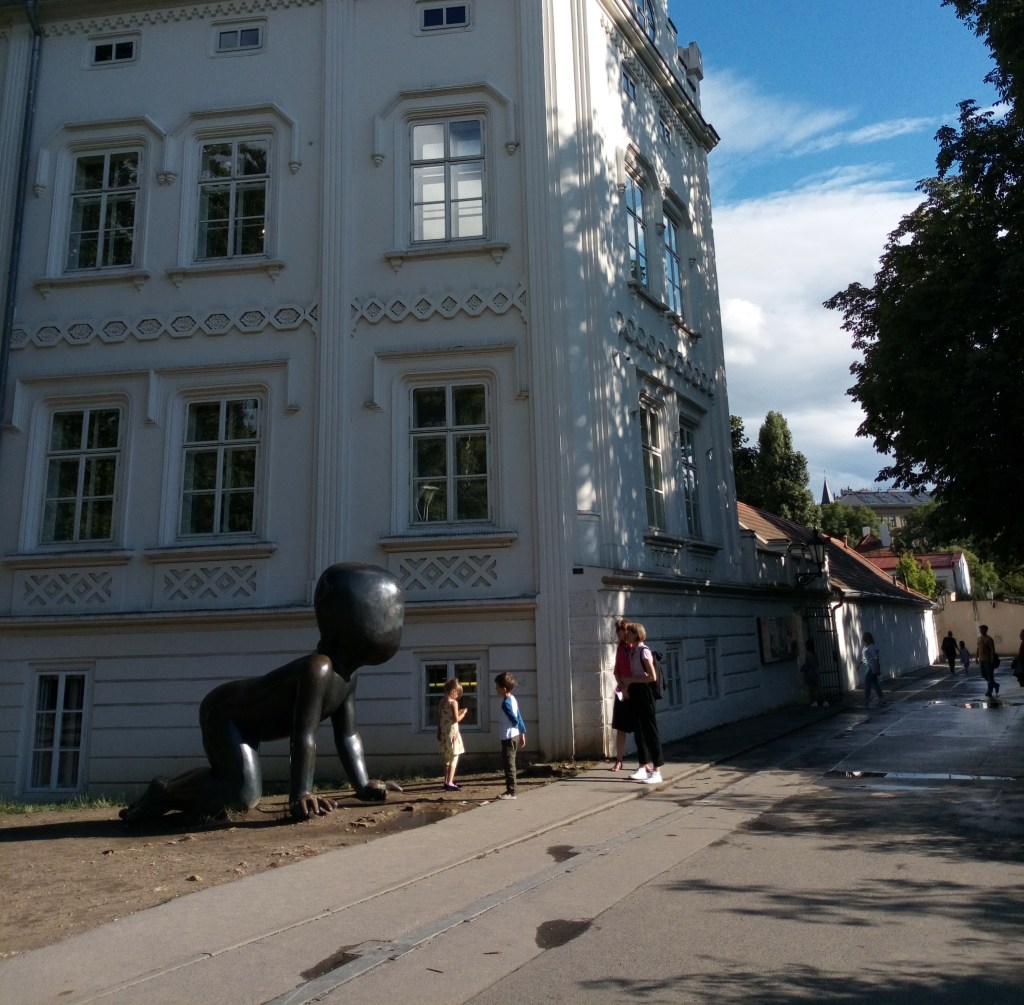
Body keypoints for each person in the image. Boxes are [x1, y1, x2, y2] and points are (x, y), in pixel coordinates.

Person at [120, 563, 404, 825]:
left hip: (246, 722)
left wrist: (364, 785)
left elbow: (347, 735)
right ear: (350, 618)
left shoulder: (347, 676)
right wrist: (301, 794)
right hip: (226, 713)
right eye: (389, 612)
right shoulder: (319, 669)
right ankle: (164, 791)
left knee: (236, 791)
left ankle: (175, 794)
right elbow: (304, 735)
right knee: (243, 795)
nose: (396, 622)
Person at [622, 623, 664, 784]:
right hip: (635, 692)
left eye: (628, 633)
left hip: (645, 692)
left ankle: (657, 770)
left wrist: (632, 679)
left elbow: (652, 677)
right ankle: (642, 766)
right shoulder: (633, 650)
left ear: (635, 634)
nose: (626, 635)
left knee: (650, 730)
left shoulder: (644, 651)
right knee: (639, 730)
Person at [495, 672, 526, 800]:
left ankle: (511, 792)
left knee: (509, 764)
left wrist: (515, 724)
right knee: (509, 762)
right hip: (515, 735)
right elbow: (519, 715)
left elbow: (515, 718)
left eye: (497, 687)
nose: (496, 689)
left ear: (504, 689)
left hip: (508, 736)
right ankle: (510, 789)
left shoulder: (506, 703)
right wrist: (522, 732)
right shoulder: (513, 699)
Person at [610, 619, 636, 770]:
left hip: (635, 690)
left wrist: (630, 687)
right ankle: (619, 760)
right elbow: (616, 671)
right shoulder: (620, 649)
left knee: (639, 726)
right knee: (620, 727)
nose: (618, 636)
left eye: (620, 633)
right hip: (622, 691)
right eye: (617, 633)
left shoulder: (634, 648)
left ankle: (643, 762)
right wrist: (622, 688)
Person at [438, 678, 467, 791]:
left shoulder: (442, 702)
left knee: (446, 759)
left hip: (444, 733)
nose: (458, 696)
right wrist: (463, 713)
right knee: (454, 757)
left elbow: (441, 717)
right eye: (458, 693)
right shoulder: (453, 702)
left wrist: (439, 730)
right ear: (454, 691)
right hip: (453, 733)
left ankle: (446, 781)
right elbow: (456, 719)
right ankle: (450, 782)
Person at [860, 631, 885, 708]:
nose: (862, 638)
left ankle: (866, 700)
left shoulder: (872, 647)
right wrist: (859, 663)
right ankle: (881, 699)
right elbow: (865, 657)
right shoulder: (866, 646)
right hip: (868, 666)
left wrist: (878, 670)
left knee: (867, 682)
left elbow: (876, 659)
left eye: (864, 637)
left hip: (872, 667)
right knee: (875, 684)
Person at [801, 638, 827, 707]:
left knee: (813, 688)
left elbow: (808, 664)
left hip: (811, 673)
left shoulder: (808, 654)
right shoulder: (814, 653)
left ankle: (815, 701)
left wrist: (803, 668)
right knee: (818, 687)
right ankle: (824, 701)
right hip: (816, 672)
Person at [976, 624, 998, 698]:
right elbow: (978, 648)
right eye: (980, 629)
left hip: (988, 660)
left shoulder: (989, 639)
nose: (981, 631)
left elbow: (992, 650)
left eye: (982, 629)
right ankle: (995, 684)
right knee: (983, 674)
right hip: (981, 659)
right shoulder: (979, 639)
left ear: (986, 630)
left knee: (990, 675)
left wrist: (992, 658)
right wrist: (976, 657)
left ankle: (989, 690)